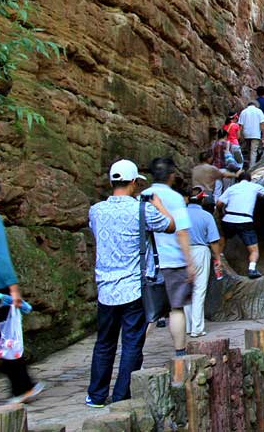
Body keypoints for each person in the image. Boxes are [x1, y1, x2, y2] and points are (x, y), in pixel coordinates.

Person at [85, 160, 176, 408]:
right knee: (132, 343)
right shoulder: (142, 210)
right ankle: (121, 394)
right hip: (134, 287)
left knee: (104, 342)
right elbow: (170, 226)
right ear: (134, 182)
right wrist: (159, 205)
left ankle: (96, 395)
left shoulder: (96, 210)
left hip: (106, 287)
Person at [0, 179, 45, 404]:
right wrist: (14, 288)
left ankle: (24, 385)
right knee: (5, 337)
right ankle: (23, 386)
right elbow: (1, 258)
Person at [140, 158, 195, 357]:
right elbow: (181, 231)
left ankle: (133, 353)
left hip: (148, 264)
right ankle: (180, 354)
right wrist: (190, 262)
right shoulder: (175, 198)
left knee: (149, 314)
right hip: (174, 261)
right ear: (171, 176)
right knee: (176, 308)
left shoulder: (142, 196)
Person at [216, 172, 264, 279]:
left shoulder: (232, 188)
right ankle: (252, 269)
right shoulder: (254, 186)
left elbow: (219, 203)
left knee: (223, 238)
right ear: (250, 179)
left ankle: (218, 260)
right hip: (245, 220)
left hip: (229, 219)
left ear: (238, 179)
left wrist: (221, 213)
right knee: (253, 249)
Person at [183, 188, 223, 338]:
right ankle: (197, 328)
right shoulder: (206, 216)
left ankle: (187, 326)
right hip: (201, 251)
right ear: (202, 200)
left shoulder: (180, 214)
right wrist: (217, 258)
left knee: (187, 290)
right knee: (199, 290)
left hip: (183, 252)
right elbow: (214, 241)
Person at [238, 101, 264, 168]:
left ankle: (248, 164)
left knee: (248, 150)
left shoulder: (244, 112)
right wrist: (263, 135)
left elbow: (241, 126)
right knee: (253, 151)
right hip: (256, 134)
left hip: (246, 134)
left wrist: (240, 135)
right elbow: (262, 124)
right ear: (255, 105)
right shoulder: (259, 111)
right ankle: (252, 167)